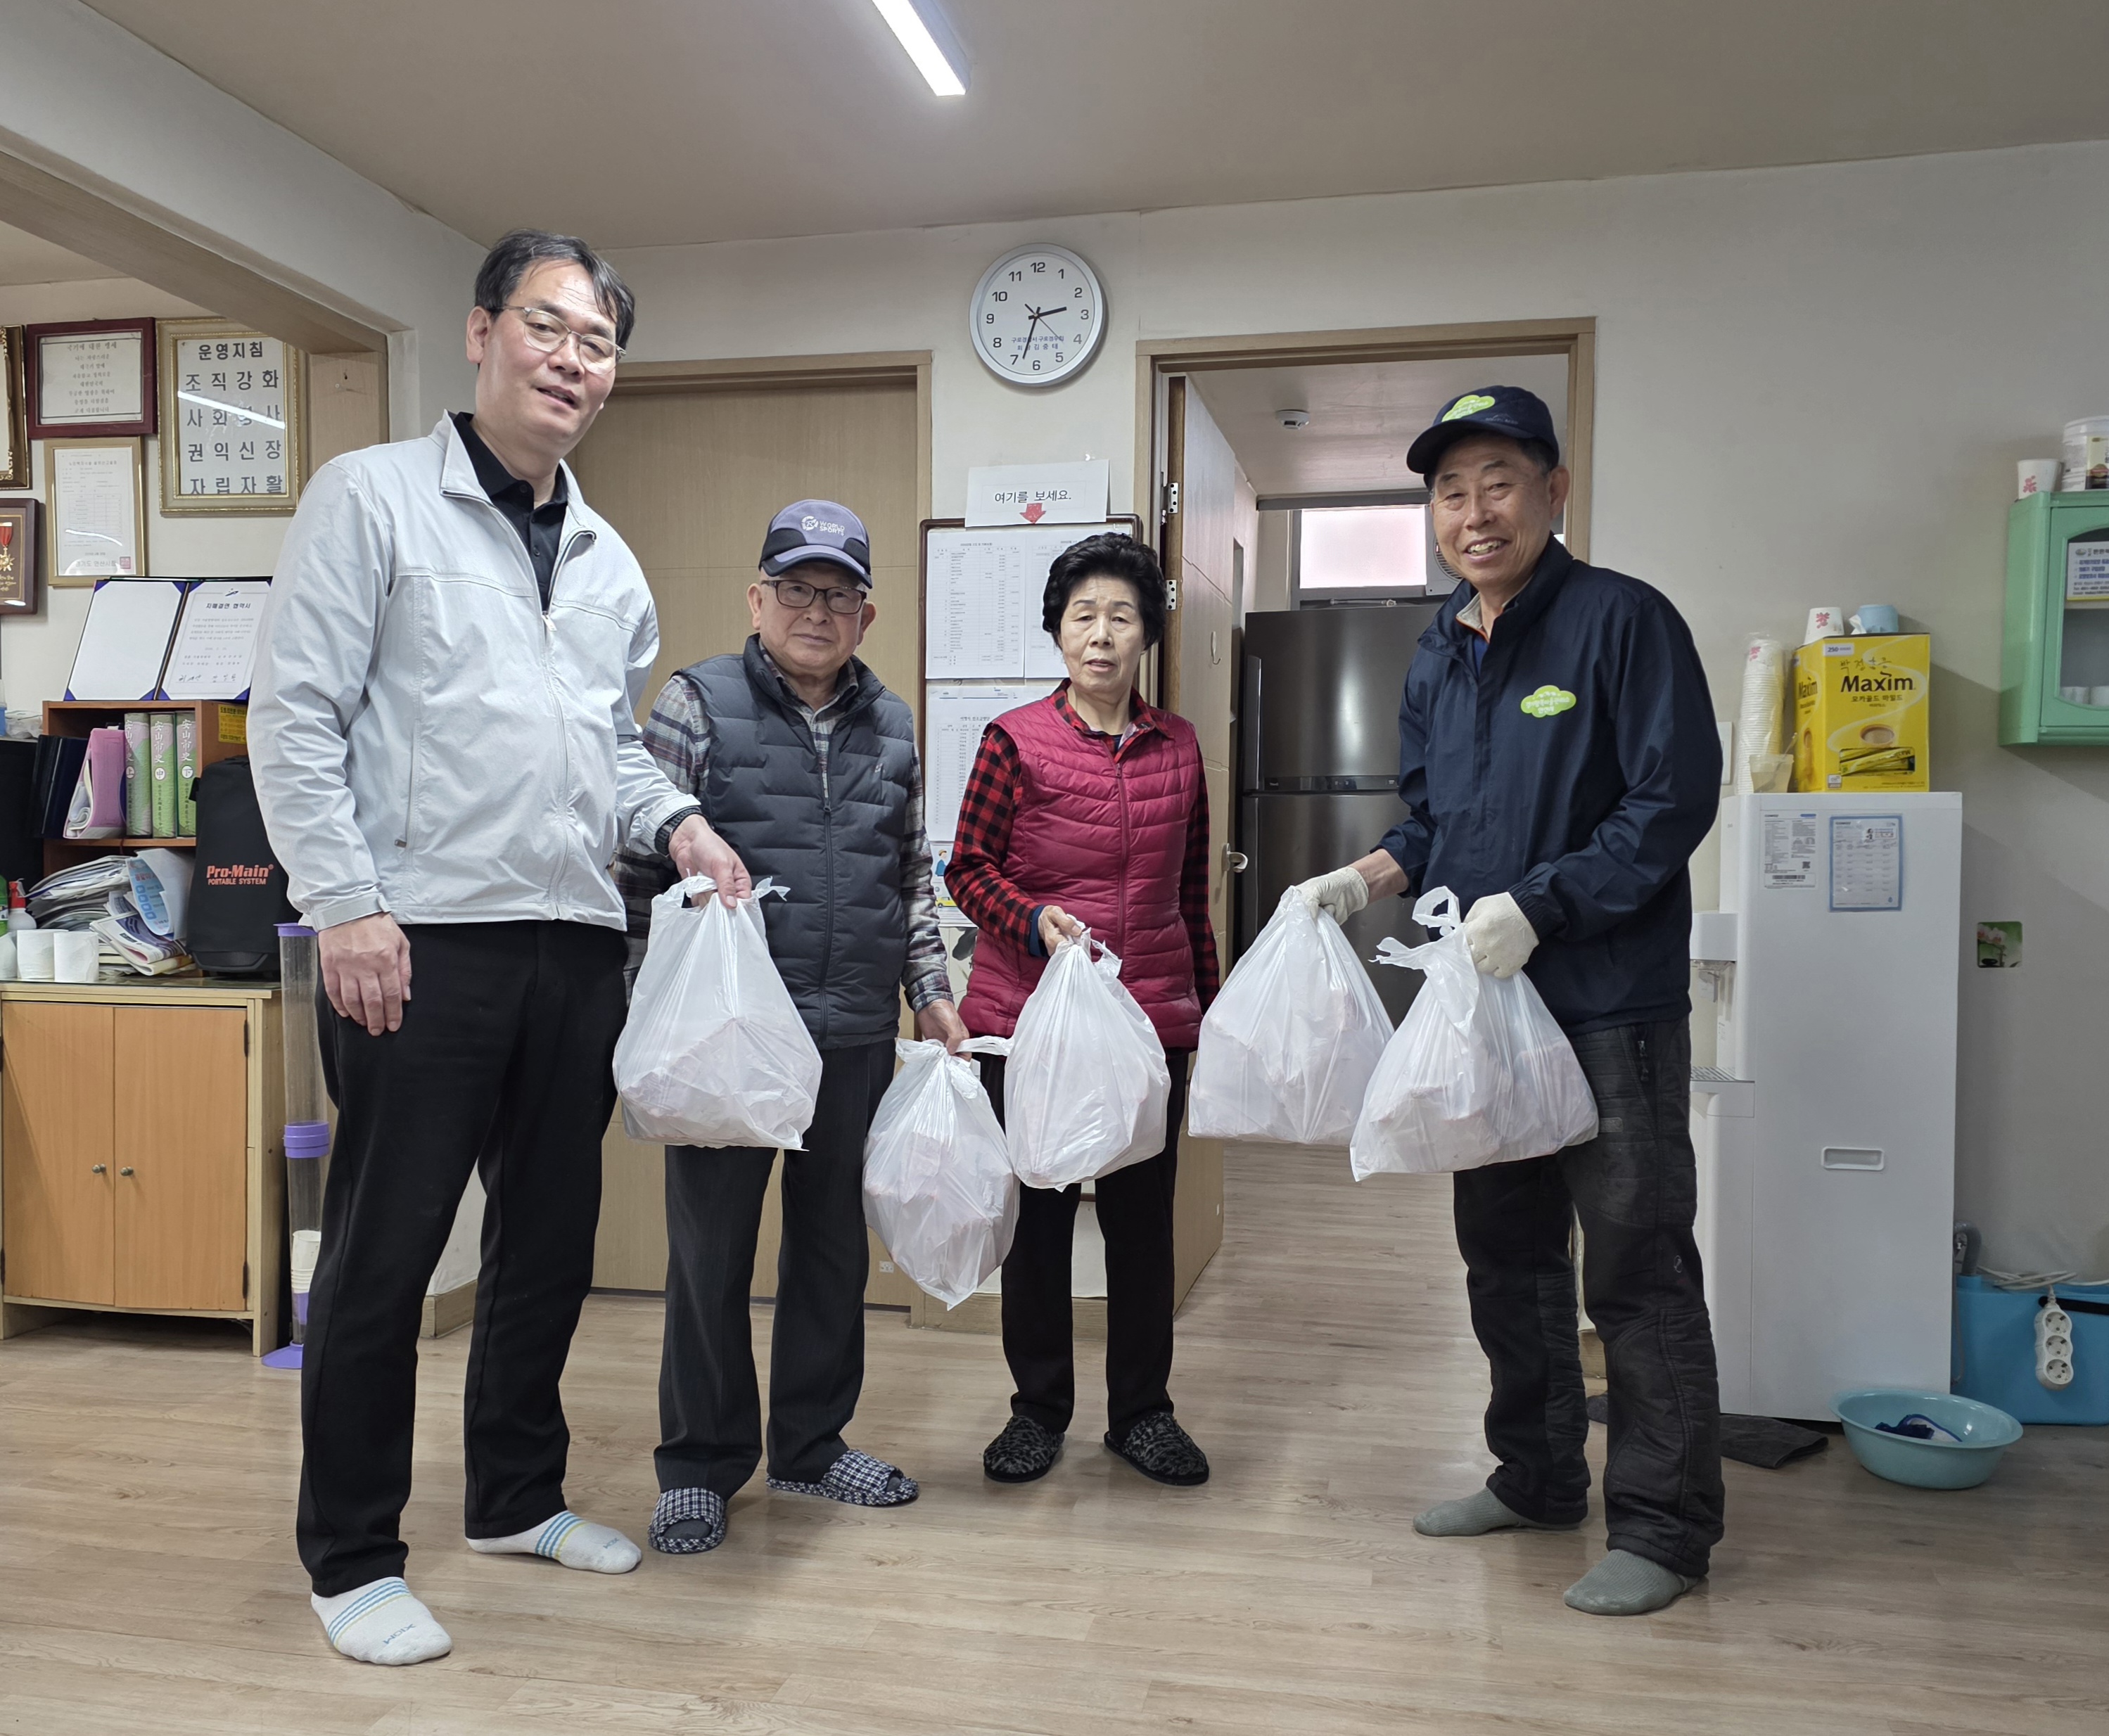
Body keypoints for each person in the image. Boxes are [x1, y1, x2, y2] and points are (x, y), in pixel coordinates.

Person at [252, 231, 722, 1666]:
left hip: (574, 944)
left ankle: (515, 1497)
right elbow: (296, 713)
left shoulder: (608, 561)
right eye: (548, 326)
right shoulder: (371, 498)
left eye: (599, 343)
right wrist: (345, 902)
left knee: (548, 1247)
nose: (573, 360)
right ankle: (351, 1554)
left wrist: (682, 823)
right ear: (481, 332)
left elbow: (610, 749)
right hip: (419, 939)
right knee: (387, 1253)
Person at [1299, 385, 1724, 1617]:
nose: (1473, 512)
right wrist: (1364, 877)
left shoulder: (1621, 620)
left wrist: (1545, 903)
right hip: (1482, 1008)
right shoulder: (1440, 647)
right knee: (1505, 1256)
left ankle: (1663, 1529)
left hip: (1606, 1002)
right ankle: (1535, 1477)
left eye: (1498, 482)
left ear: (1553, 491)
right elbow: (1436, 820)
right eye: (1449, 490)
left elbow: (1670, 798)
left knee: (1635, 1265)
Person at [612, 499, 964, 1557]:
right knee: (709, 1258)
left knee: (830, 1252)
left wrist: (931, 989)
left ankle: (811, 1445)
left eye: (839, 596)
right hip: (725, 1036)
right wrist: (644, 1016)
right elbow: (635, 862)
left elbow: (910, 874)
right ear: (756, 600)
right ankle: (699, 1468)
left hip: (850, 1027)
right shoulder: (696, 703)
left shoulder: (893, 724)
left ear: (866, 615)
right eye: (797, 590)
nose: (817, 611)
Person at [947, 533, 1220, 1488]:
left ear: (1147, 633)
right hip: (1031, 1019)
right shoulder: (1013, 740)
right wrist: (1031, 921)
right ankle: (1036, 1411)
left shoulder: (1179, 745)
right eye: (1083, 617)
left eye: (1121, 616)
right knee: (1041, 1222)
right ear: (1058, 633)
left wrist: (1203, 1011)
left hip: (1148, 1019)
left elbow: (1190, 892)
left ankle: (1142, 1414)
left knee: (1144, 1226)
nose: (1101, 635)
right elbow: (966, 870)